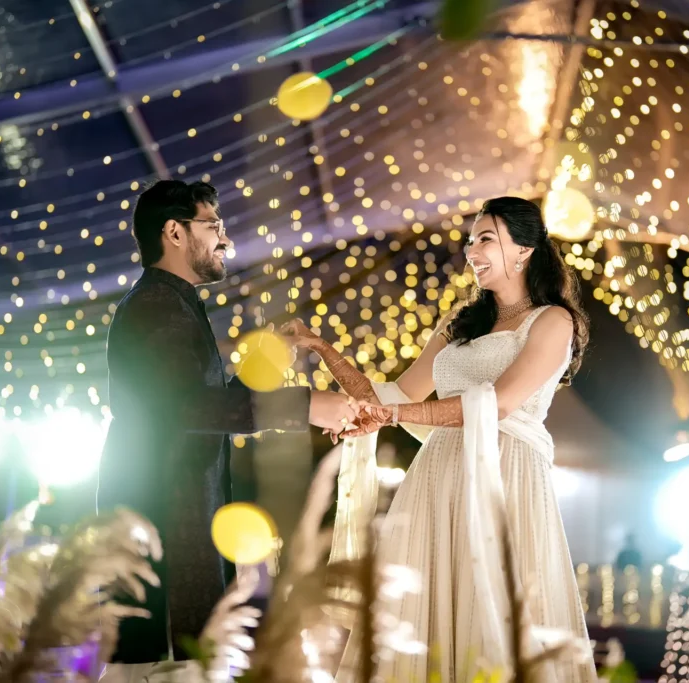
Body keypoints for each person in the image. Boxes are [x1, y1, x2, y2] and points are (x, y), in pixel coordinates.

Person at [283, 196, 597, 682]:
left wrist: (388, 413)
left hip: (504, 478)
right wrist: (323, 350)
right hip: (437, 477)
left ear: (525, 250)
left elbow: (499, 403)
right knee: (425, 611)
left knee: (491, 611)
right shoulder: (458, 324)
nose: (472, 250)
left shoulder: (553, 321)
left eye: (486, 239)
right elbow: (392, 394)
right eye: (471, 241)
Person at [99, 180, 360, 664]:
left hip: (183, 525)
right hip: (164, 532)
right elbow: (191, 410)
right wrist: (303, 406)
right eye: (214, 226)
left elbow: (205, 405)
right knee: (156, 671)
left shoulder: (175, 303)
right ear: (174, 233)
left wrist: (273, 356)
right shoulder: (157, 306)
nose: (226, 239)